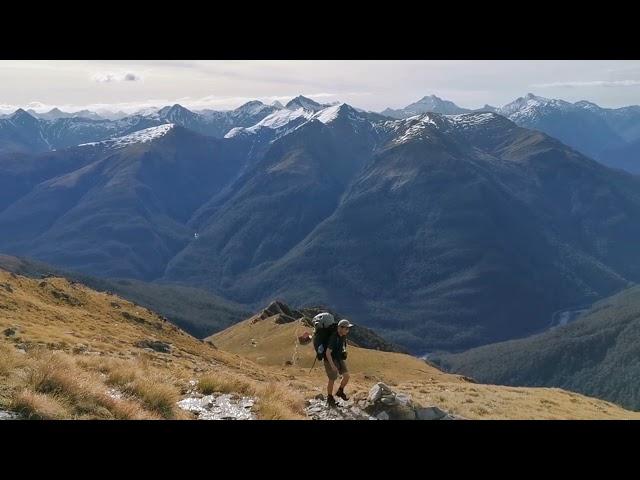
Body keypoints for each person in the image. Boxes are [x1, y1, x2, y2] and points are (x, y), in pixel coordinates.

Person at [324, 318, 353, 407]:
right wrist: (332, 365)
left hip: (338, 358)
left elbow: (342, 345)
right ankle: (329, 398)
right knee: (332, 379)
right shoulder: (333, 337)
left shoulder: (343, 336)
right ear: (341, 328)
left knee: (346, 376)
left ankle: (340, 391)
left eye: (348, 328)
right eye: (347, 328)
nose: (348, 330)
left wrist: (343, 351)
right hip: (330, 360)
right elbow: (328, 353)